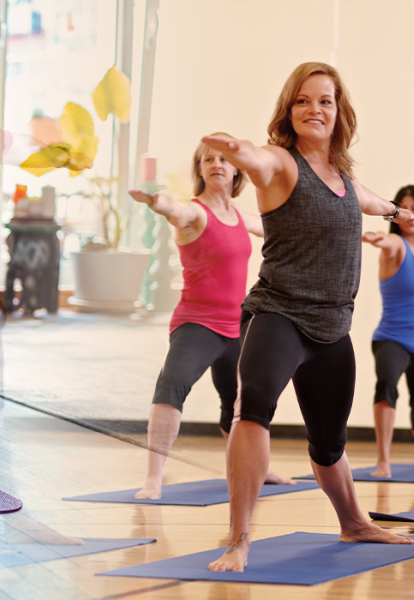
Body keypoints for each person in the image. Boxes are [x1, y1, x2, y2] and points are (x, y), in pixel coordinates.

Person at [201, 62, 414, 572]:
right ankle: (238, 538)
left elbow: (368, 200)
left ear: (339, 112)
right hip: (279, 314)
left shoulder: (342, 178)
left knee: (329, 443)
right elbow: (256, 159)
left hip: (332, 328)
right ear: (289, 110)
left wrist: (397, 212)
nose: (314, 109)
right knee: (253, 406)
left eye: (324, 101)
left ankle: (353, 522)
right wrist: (236, 149)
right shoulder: (280, 162)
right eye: (302, 100)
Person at [128, 138, 292, 500]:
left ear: (237, 170)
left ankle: (256, 469)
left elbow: (284, 228)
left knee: (240, 402)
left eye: (224, 159)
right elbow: (176, 210)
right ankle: (153, 478)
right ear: (200, 169)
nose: (216, 163)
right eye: (208, 160)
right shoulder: (195, 212)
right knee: (171, 387)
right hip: (198, 323)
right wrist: (157, 202)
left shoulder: (242, 217)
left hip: (238, 326)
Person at [362, 185, 414, 477]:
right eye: (405, 208)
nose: (411, 214)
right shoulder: (395, 245)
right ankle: (383, 462)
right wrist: (376, 238)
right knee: (387, 386)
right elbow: (388, 243)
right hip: (391, 339)